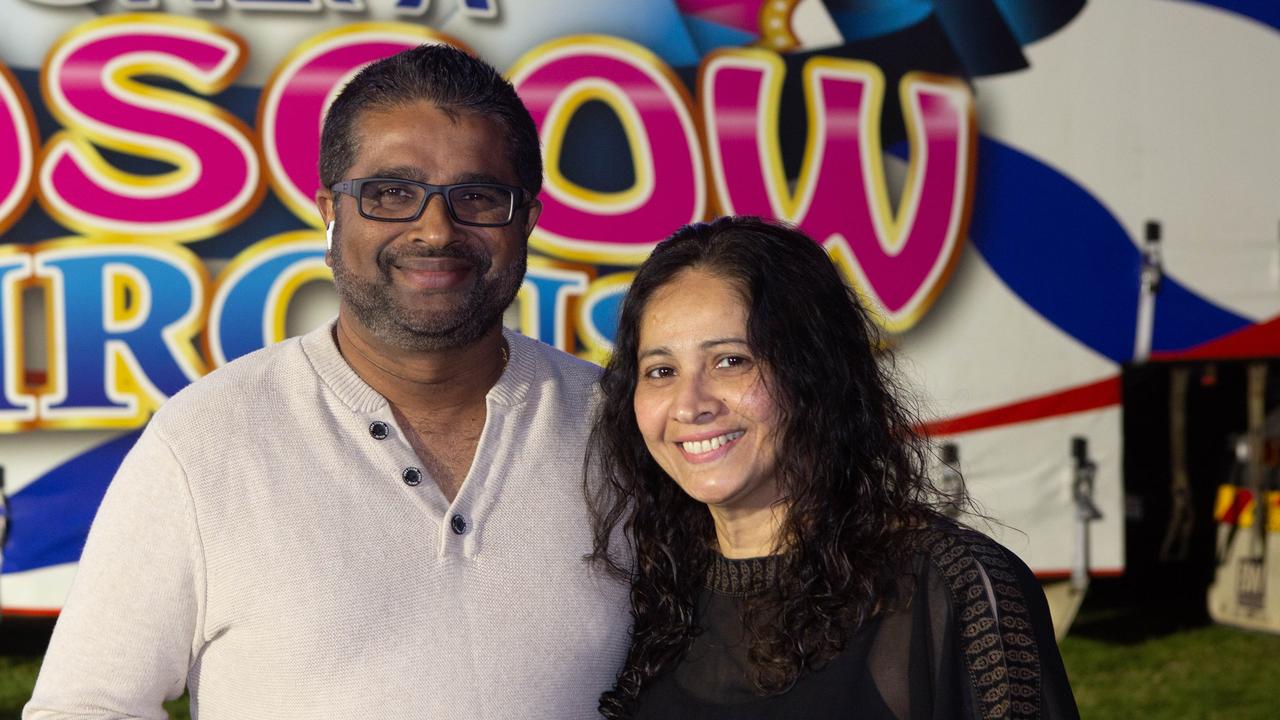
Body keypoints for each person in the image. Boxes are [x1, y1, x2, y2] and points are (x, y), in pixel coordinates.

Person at [26, 44, 630, 719]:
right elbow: (83, 707)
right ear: (329, 212)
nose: (435, 229)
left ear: (527, 222)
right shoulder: (203, 441)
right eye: (391, 193)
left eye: (478, 197)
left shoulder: (622, 429)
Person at [587, 216, 1079, 719]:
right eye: (661, 371)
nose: (689, 406)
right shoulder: (645, 593)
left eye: (731, 361)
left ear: (815, 370)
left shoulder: (953, 587)